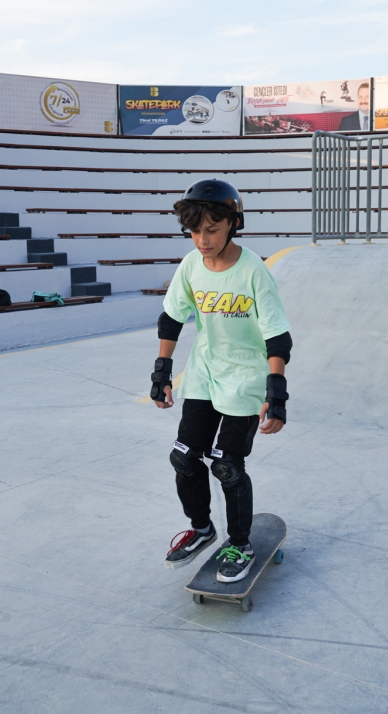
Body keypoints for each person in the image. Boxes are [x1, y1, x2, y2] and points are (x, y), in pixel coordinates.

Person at [150, 179, 293, 583]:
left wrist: (275, 391)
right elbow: (172, 317)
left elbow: (277, 334)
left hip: (246, 380)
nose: (202, 240)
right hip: (204, 376)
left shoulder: (253, 271)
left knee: (227, 465)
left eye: (211, 229)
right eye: (195, 231)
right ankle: (201, 528)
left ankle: (240, 543)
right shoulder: (191, 265)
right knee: (184, 457)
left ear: (233, 223)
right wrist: (162, 371)